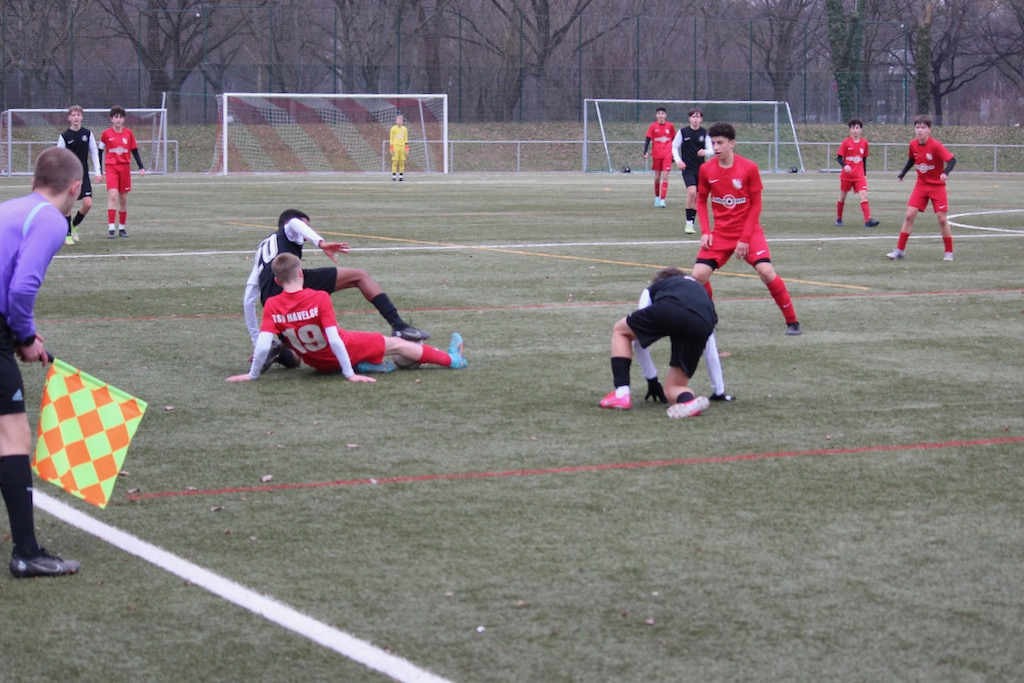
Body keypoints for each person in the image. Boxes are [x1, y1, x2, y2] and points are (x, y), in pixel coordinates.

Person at [0, 147, 82, 578]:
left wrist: (18, 334)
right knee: (12, 436)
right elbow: (21, 288)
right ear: (74, 187)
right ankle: (27, 553)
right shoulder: (51, 219)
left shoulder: (10, 207)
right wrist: (26, 337)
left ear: (34, 181)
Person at [229, 254, 465, 382]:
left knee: (361, 345)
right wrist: (348, 375)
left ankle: (363, 364)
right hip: (340, 353)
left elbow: (263, 346)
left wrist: (252, 375)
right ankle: (452, 360)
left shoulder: (272, 304)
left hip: (316, 363)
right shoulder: (319, 297)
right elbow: (334, 339)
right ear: (301, 272)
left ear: (277, 281)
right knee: (397, 343)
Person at [243, 209, 430, 370]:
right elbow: (294, 223)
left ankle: (275, 350)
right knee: (360, 276)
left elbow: (248, 299)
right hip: (291, 282)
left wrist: (257, 342)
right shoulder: (289, 230)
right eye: (306, 228)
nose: (306, 234)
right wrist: (320, 242)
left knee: (295, 359)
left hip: (272, 299)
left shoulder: (264, 247)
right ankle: (399, 325)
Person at [694, 122, 802, 336]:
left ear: (732, 144)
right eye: (713, 143)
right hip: (721, 234)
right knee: (698, 276)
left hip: (749, 233)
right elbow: (701, 200)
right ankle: (710, 315)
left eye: (720, 143)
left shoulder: (749, 168)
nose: (716, 147)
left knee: (766, 271)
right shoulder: (706, 169)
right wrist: (706, 232)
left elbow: (756, 205)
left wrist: (744, 239)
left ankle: (793, 321)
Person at [599, 267, 716, 419]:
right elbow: (711, 349)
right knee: (674, 387)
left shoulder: (654, 288)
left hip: (671, 309)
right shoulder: (697, 289)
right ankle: (688, 401)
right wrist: (719, 391)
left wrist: (652, 379)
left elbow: (639, 340)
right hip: (705, 321)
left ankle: (621, 394)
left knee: (621, 331)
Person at [888, 114, 957, 261]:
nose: (920, 130)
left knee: (942, 219)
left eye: (923, 127)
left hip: (937, 187)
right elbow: (911, 160)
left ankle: (949, 252)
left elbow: (952, 160)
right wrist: (903, 173)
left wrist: (945, 173)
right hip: (921, 185)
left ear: (929, 130)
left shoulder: (936, 146)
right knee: (909, 216)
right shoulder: (913, 144)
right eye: (917, 127)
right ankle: (899, 250)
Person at [56, 105, 103, 245]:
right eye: (73, 115)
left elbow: (94, 153)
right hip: (69, 176)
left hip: (83, 175)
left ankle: (73, 225)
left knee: (88, 204)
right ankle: (67, 234)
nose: (76, 117)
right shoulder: (64, 137)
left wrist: (98, 172)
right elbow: (59, 157)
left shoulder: (87, 134)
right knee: (68, 205)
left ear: (82, 117)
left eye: (78, 115)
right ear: (69, 118)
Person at [98, 105, 145, 239]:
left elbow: (134, 151)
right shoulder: (106, 134)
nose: (118, 119)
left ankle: (122, 228)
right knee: (113, 195)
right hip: (111, 167)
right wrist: (100, 170)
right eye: (116, 117)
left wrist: (141, 167)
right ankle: (111, 228)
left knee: (123, 199)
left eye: (120, 117)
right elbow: (100, 151)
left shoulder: (128, 134)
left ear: (124, 119)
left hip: (124, 168)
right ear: (111, 119)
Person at [671, 108, 714, 234]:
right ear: (689, 118)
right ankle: (688, 223)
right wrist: (678, 161)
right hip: (687, 168)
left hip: (701, 169)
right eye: (693, 117)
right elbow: (674, 147)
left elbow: (711, 149)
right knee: (691, 192)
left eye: (698, 117)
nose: (695, 119)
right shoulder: (683, 132)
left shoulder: (704, 133)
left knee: (698, 197)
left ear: (701, 119)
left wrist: (705, 152)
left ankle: (690, 224)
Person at [835, 118, 880, 228]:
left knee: (864, 196)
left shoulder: (864, 143)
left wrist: (864, 174)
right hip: (847, 176)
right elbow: (839, 158)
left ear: (861, 130)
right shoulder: (846, 143)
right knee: (842, 197)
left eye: (857, 128)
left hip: (859, 176)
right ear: (850, 130)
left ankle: (868, 221)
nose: (855, 130)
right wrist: (845, 166)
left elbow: (864, 159)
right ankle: (839, 218)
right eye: (853, 128)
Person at [642, 107, 676, 208]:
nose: (661, 115)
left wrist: (674, 154)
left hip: (667, 154)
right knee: (657, 178)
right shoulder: (653, 126)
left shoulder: (670, 126)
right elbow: (648, 139)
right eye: (659, 113)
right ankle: (657, 198)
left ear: (665, 115)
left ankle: (662, 200)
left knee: (665, 177)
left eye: (662, 113)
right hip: (656, 154)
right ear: (656, 115)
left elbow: (675, 141)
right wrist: (645, 151)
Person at [389, 114, 409, 182]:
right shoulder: (393, 129)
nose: (399, 122)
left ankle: (401, 177)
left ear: (402, 121)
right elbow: (391, 138)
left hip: (402, 147)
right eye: (398, 121)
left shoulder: (404, 129)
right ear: (396, 121)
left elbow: (406, 138)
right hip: (395, 146)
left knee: (402, 162)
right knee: (395, 162)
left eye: (400, 121)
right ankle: (394, 177)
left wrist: (406, 147)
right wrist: (391, 147)